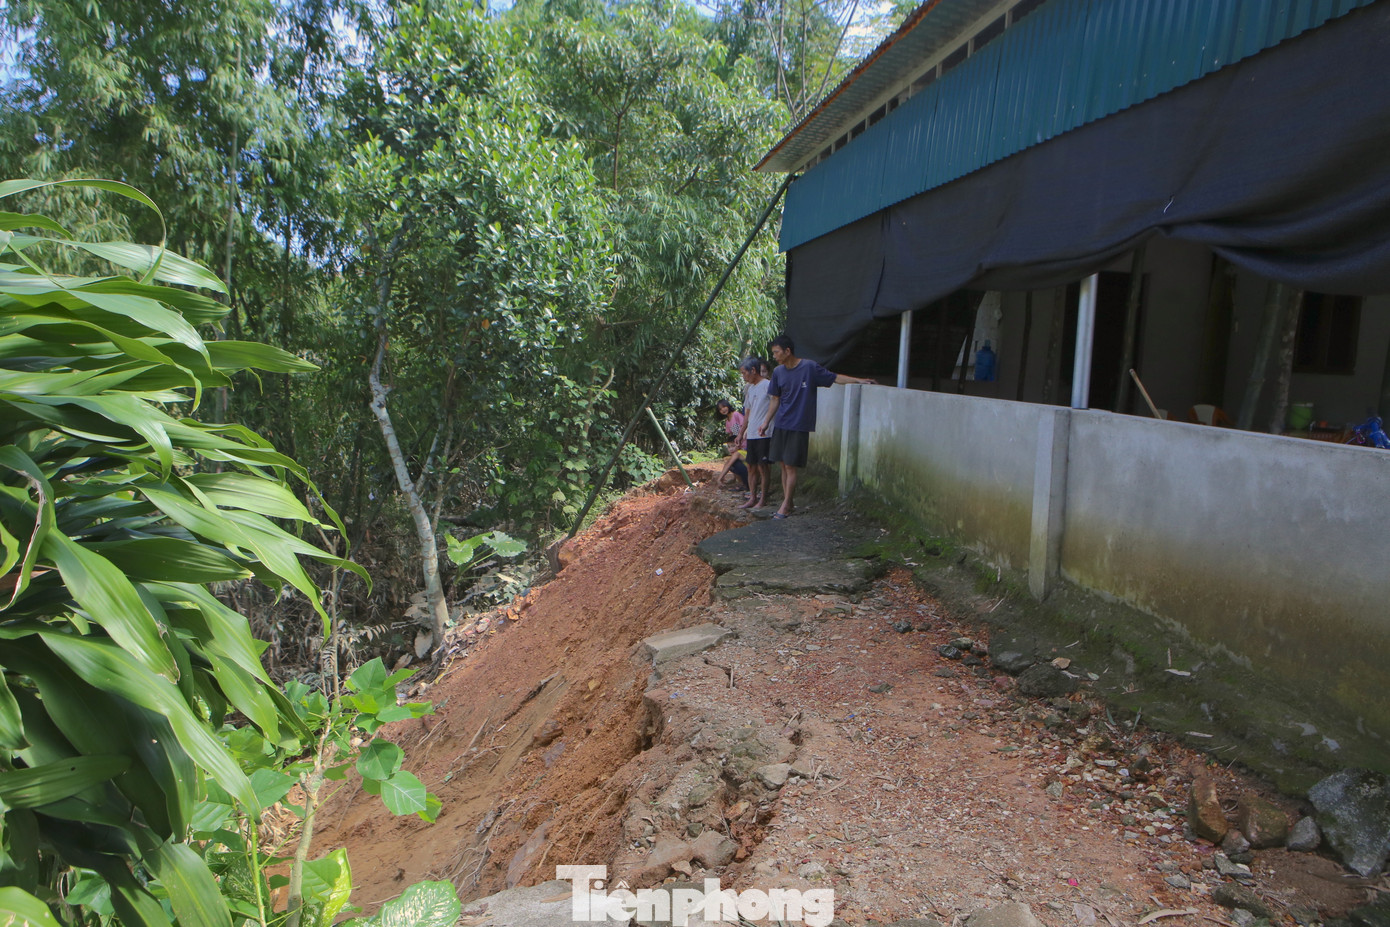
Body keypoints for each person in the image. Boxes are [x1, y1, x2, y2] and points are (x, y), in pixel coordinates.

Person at [758, 334, 874, 519]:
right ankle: (789, 502)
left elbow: (834, 378)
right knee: (782, 463)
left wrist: (858, 380)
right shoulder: (779, 372)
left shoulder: (809, 368)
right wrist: (765, 422)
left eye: (776, 352)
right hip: (782, 423)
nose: (774, 356)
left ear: (788, 351)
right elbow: (774, 399)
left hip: (799, 424)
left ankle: (785, 507)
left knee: (790, 466)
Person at [736, 356, 772, 510]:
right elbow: (747, 414)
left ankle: (763, 498)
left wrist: (767, 424)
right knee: (751, 466)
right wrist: (740, 433)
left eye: (745, 373)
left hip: (765, 433)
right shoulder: (750, 389)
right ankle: (752, 497)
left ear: (753, 370)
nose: (744, 377)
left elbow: (776, 404)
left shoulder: (768, 386)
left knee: (763, 467)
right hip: (751, 433)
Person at [715, 399, 749, 491]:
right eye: (720, 409)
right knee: (732, 460)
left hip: (744, 444)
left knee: (733, 461)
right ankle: (739, 481)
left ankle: (745, 483)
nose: (723, 410)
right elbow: (730, 434)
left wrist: (740, 436)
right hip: (737, 445)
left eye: (724, 407)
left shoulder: (736, 415)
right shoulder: (727, 421)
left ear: (728, 405)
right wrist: (731, 446)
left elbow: (744, 425)